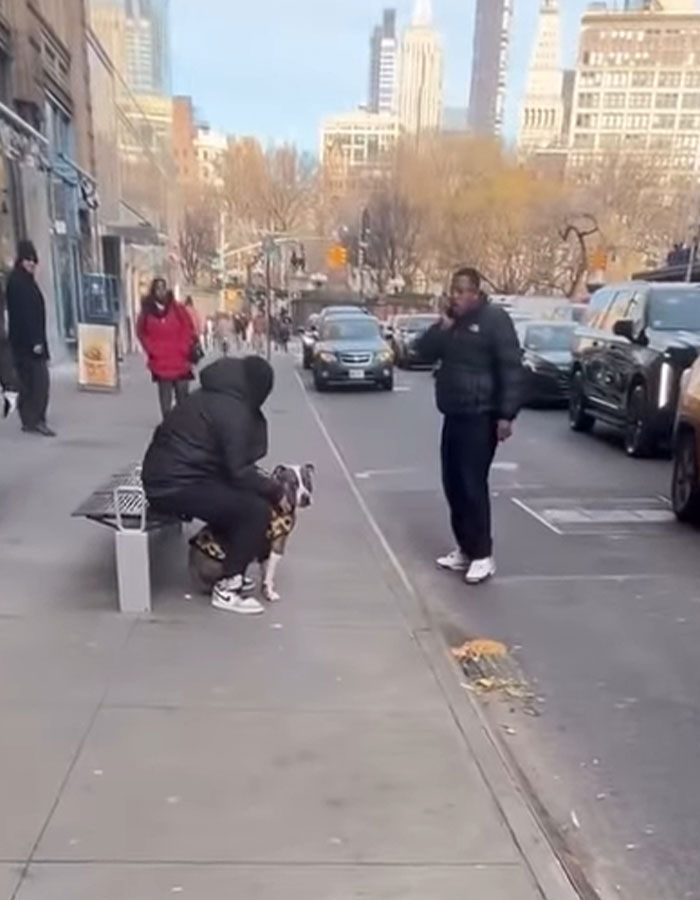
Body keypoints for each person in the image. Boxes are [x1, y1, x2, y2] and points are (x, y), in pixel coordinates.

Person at [142, 356, 282, 615]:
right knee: (255, 511)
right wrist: (274, 489)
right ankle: (228, 588)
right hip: (173, 485)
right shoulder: (232, 410)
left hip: (170, 477)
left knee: (241, 501)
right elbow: (239, 471)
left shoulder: (214, 395)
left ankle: (228, 568)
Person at [417, 266, 522, 585]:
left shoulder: (494, 320)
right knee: (453, 484)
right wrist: (443, 326)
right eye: (454, 290)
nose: (457, 297)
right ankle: (465, 547)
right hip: (454, 413)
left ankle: (482, 555)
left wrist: (506, 415)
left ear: (477, 293)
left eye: (463, 291)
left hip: (482, 415)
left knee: (472, 484)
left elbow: (511, 368)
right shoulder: (452, 323)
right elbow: (422, 351)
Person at [6, 240, 54, 437]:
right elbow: (25, 315)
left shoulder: (26, 281)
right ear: (21, 260)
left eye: (34, 260)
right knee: (39, 382)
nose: (32, 264)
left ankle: (29, 419)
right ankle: (35, 419)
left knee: (29, 382)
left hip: (27, 343)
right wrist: (36, 342)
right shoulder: (18, 283)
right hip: (28, 344)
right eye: (28, 260)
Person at [137, 278, 196, 419]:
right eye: (157, 288)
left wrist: (184, 346)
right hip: (160, 361)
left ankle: (183, 422)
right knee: (165, 396)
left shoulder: (177, 308)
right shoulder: (147, 312)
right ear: (153, 291)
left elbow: (188, 327)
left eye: (163, 288)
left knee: (183, 394)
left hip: (180, 359)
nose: (161, 292)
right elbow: (141, 332)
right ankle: (168, 423)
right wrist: (152, 349)